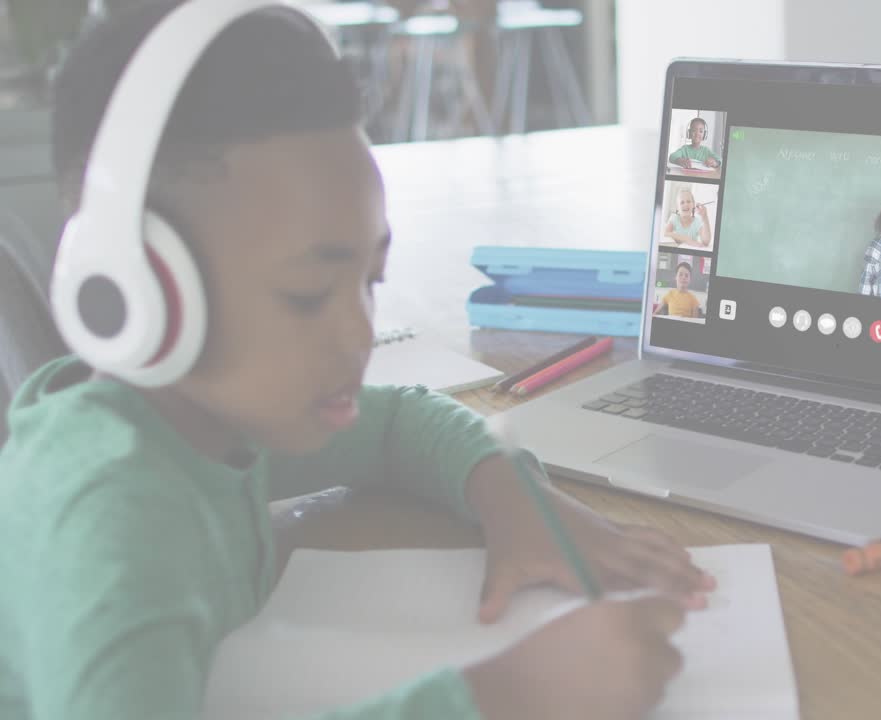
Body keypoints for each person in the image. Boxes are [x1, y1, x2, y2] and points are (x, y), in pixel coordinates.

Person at [0, 5, 714, 720]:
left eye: (370, 280)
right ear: (136, 291)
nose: (358, 333)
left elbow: (398, 421)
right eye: (308, 294)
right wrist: (503, 698)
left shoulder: (204, 420)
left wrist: (514, 499)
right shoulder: (110, 520)